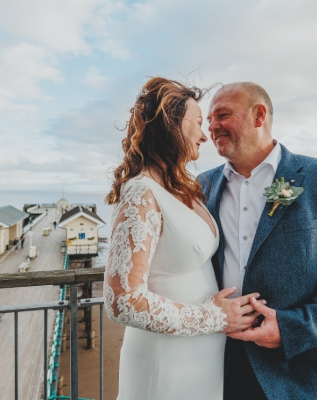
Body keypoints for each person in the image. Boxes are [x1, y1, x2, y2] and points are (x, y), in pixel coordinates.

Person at [199, 82, 317, 400]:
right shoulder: (202, 186)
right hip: (222, 366)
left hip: (306, 370)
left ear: (259, 115)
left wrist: (293, 328)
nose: (212, 126)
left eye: (223, 114)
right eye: (208, 120)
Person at [103, 77, 262, 400]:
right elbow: (121, 302)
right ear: (170, 125)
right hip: (165, 361)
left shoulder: (181, 188)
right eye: (199, 123)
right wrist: (215, 316)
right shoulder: (141, 192)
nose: (206, 135)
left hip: (200, 361)